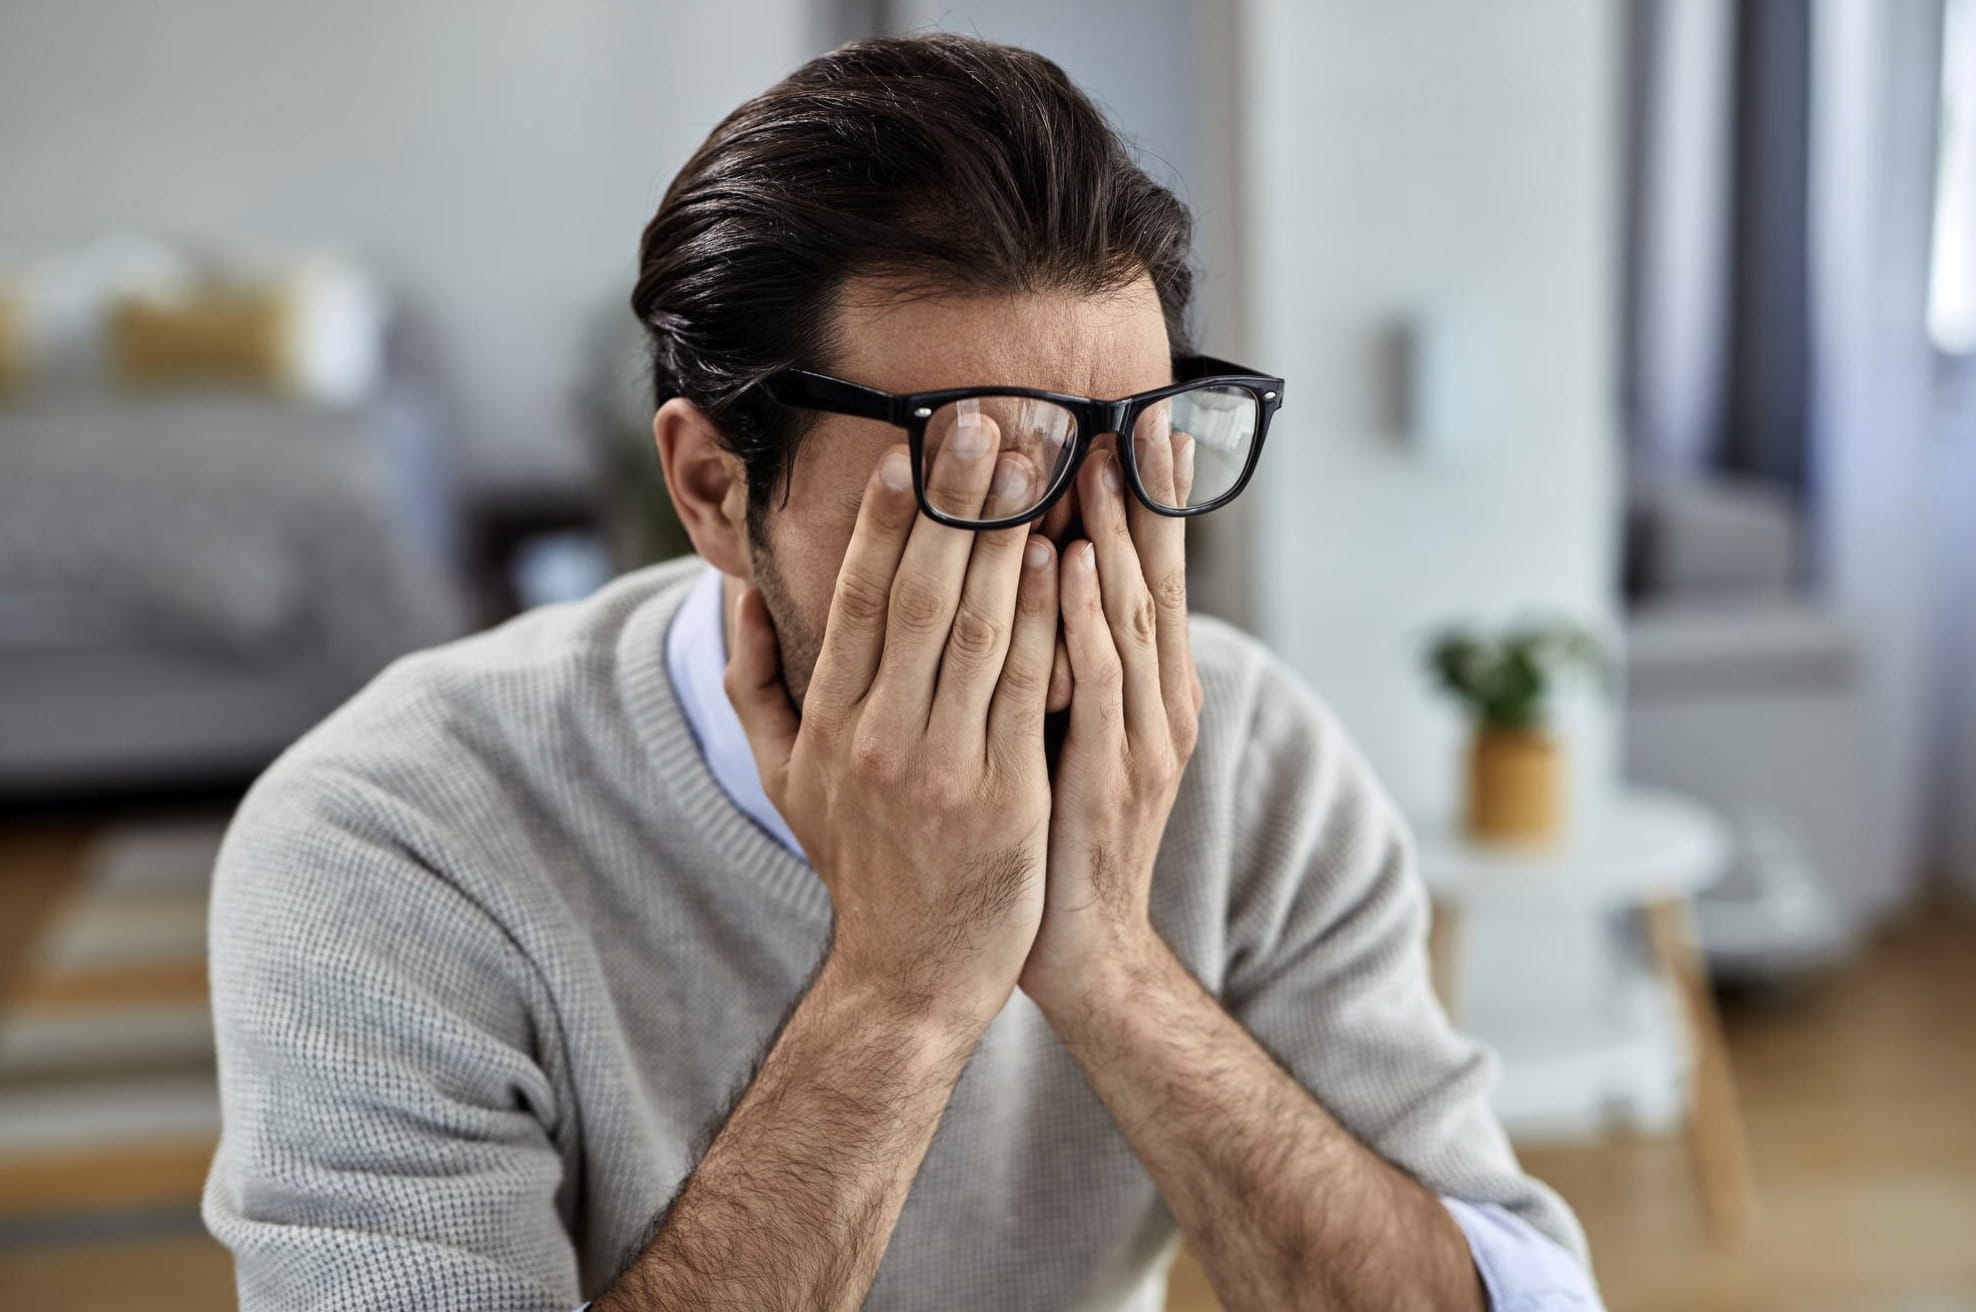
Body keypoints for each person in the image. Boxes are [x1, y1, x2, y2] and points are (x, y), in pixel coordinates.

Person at [202, 33, 1604, 1312]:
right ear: (709, 487)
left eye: (1131, 453)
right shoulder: (389, 839)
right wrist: (902, 991)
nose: (1074, 566)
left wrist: (1109, 965)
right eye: (976, 469)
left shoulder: (1248, 756)